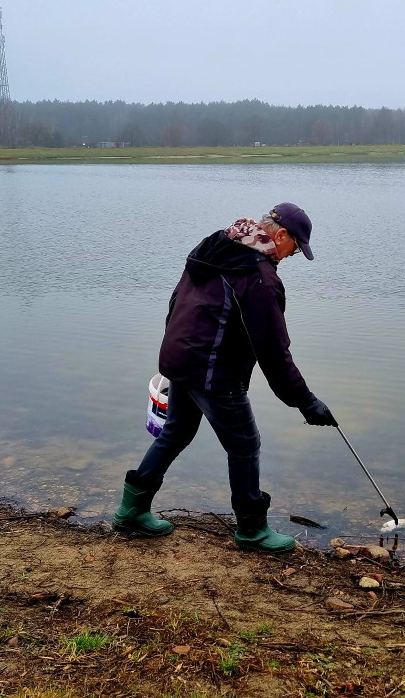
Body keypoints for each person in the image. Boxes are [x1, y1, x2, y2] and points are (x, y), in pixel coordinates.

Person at [113, 203, 337, 553]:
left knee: (175, 433)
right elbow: (274, 351)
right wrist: (305, 401)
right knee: (245, 446)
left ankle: (132, 511)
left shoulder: (216, 246)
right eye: (295, 247)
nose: (292, 256)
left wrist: (175, 353)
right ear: (280, 235)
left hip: (181, 358)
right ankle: (251, 530)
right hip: (213, 370)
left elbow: (175, 302)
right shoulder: (258, 277)